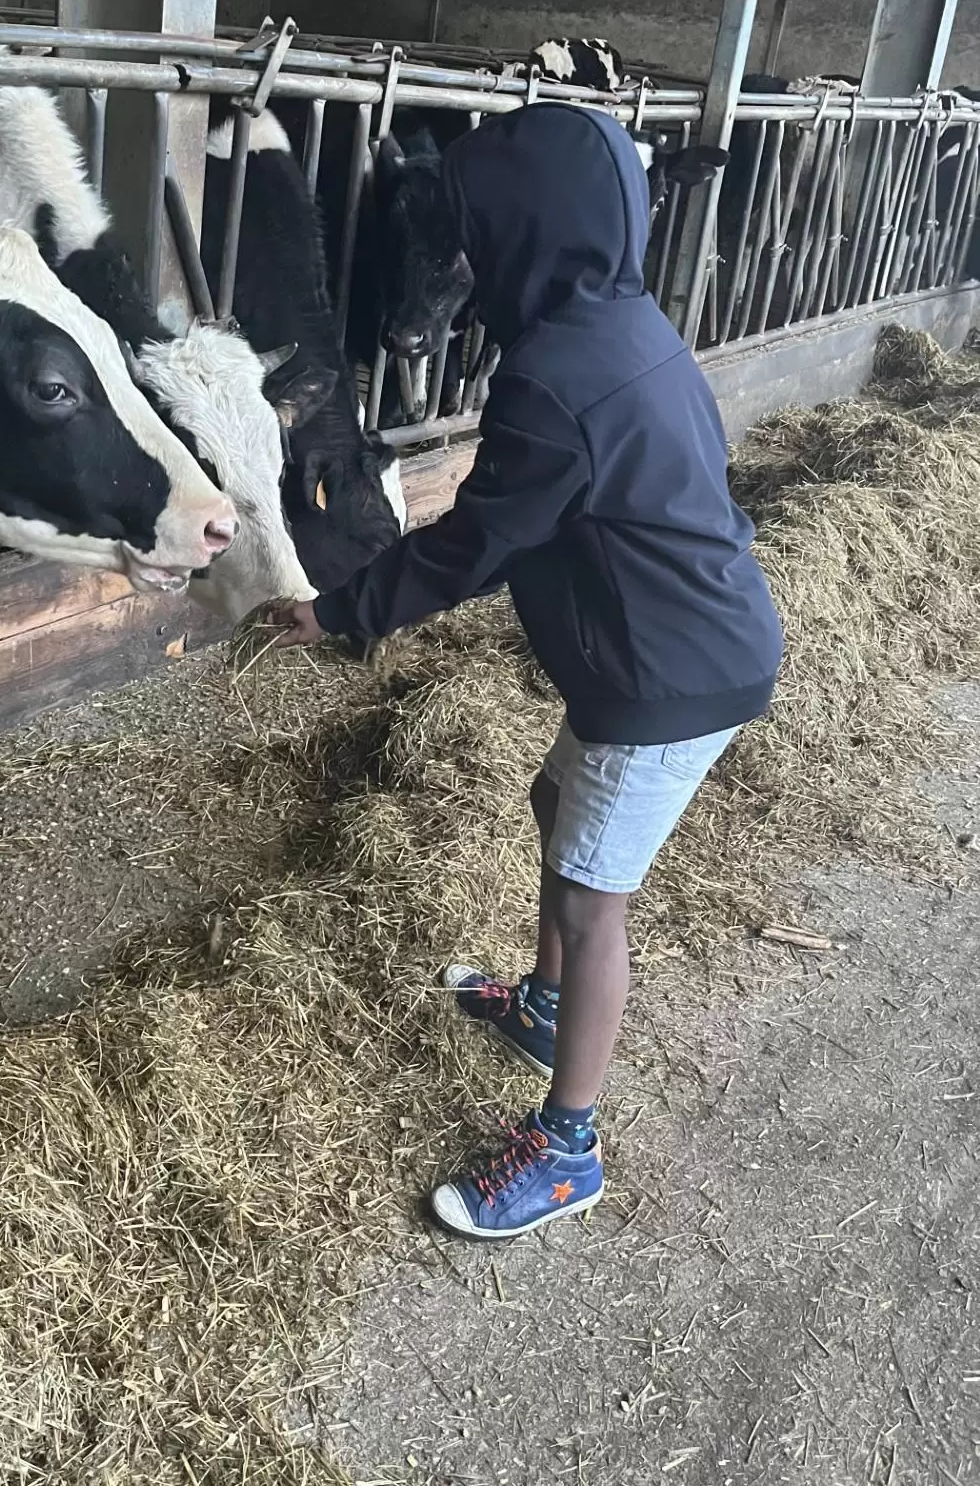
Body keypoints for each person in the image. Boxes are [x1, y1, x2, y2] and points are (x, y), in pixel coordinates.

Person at [274, 103, 782, 1242]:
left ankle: (567, 1147)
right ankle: (545, 1006)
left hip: (665, 675)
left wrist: (340, 610)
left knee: (596, 901)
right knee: (555, 803)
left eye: (471, 233)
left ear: (520, 233)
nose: (459, 261)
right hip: (671, 643)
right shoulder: (629, 323)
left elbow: (475, 547)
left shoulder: (553, 378)